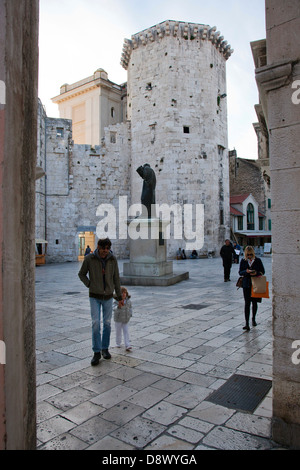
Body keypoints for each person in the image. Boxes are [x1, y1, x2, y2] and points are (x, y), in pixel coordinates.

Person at [78, 237, 123, 365]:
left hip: (108, 296)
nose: (105, 251)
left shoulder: (112, 259)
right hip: (94, 296)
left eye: (108, 249)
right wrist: (90, 284)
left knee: (107, 324)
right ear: (98, 247)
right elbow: (81, 274)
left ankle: (105, 349)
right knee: (96, 323)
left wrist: (119, 297)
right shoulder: (89, 259)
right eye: (103, 248)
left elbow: (116, 278)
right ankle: (96, 352)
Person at [239, 245, 265, 331]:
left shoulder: (258, 260)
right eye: (248, 255)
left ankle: (253, 319)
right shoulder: (243, 261)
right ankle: (246, 323)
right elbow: (240, 272)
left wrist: (256, 273)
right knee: (247, 303)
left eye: (251, 255)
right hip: (246, 284)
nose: (249, 256)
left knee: (254, 302)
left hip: (255, 283)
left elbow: (262, 271)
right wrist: (246, 272)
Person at [114, 287, 132, 351]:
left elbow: (130, 308)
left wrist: (130, 314)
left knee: (126, 331)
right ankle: (118, 343)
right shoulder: (116, 301)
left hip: (125, 319)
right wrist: (118, 306)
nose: (123, 294)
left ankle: (127, 344)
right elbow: (114, 308)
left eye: (124, 293)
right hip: (118, 319)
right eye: (122, 293)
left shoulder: (128, 301)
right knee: (118, 331)